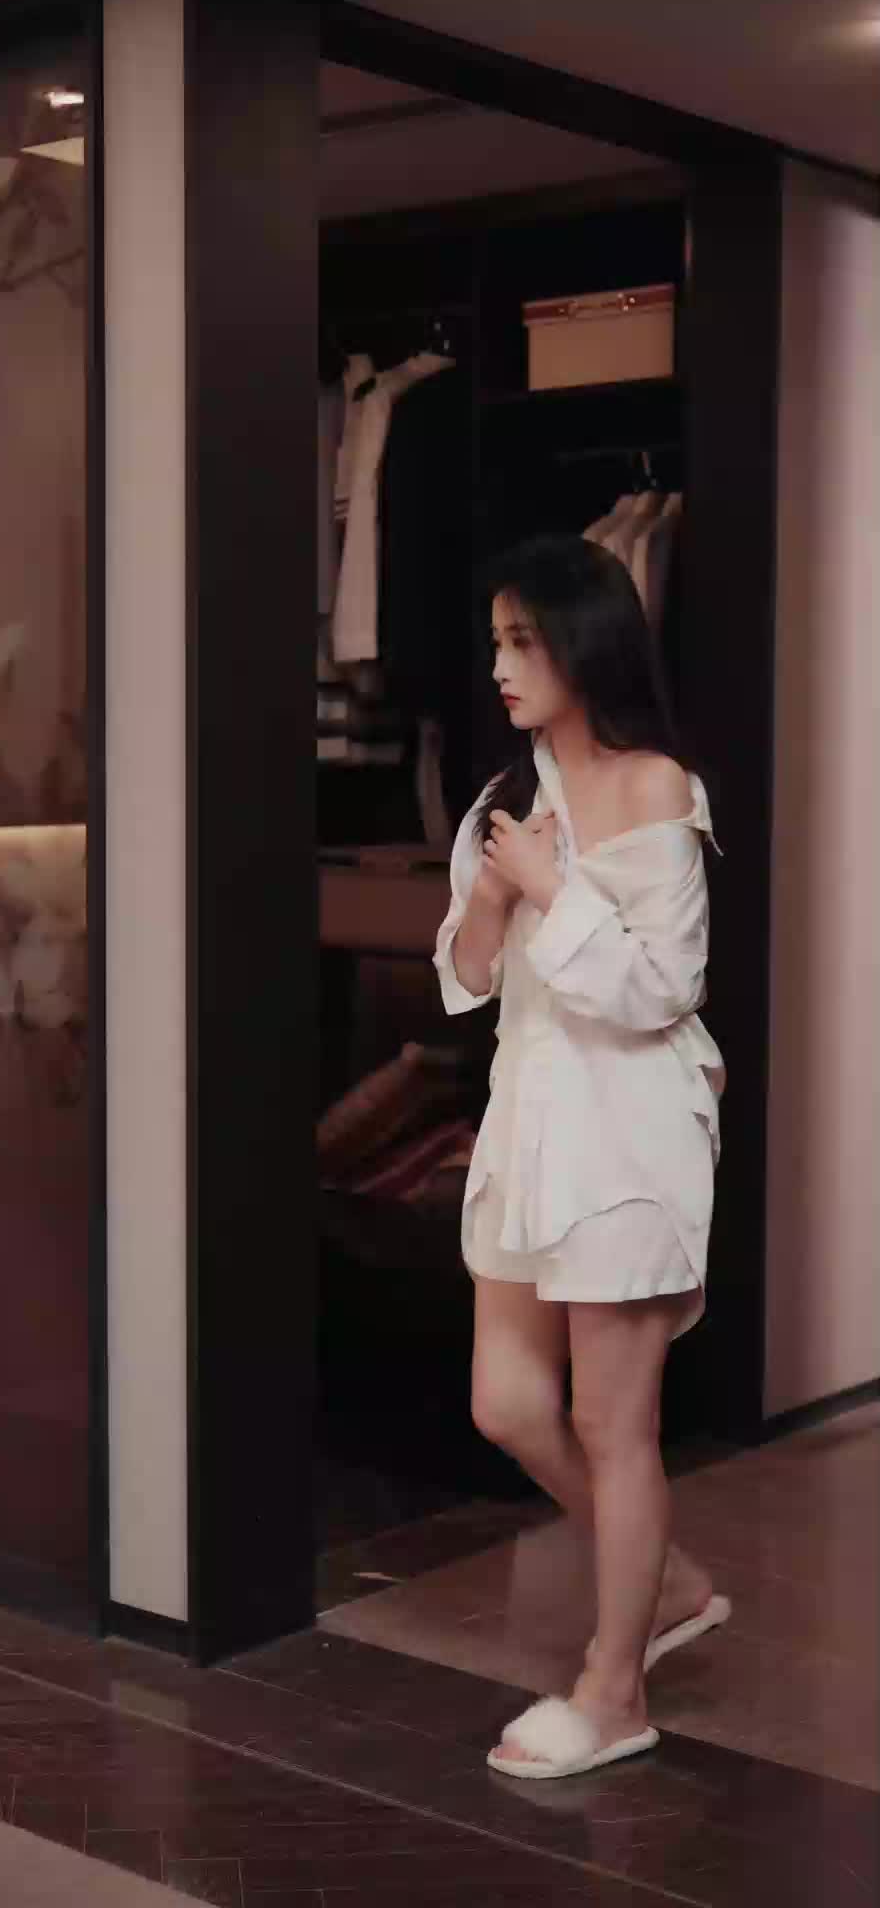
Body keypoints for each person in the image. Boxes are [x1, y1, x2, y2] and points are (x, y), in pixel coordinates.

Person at [434, 535, 728, 1782]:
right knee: (506, 1402)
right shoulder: (502, 800)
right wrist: (496, 898)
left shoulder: (658, 787)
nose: (501, 665)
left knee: (615, 1421)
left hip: (629, 1126)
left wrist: (555, 891)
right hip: (530, 1123)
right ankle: (670, 1582)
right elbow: (462, 976)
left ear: (584, 643)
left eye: (523, 641)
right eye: (497, 642)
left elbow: (663, 990)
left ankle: (615, 1691)